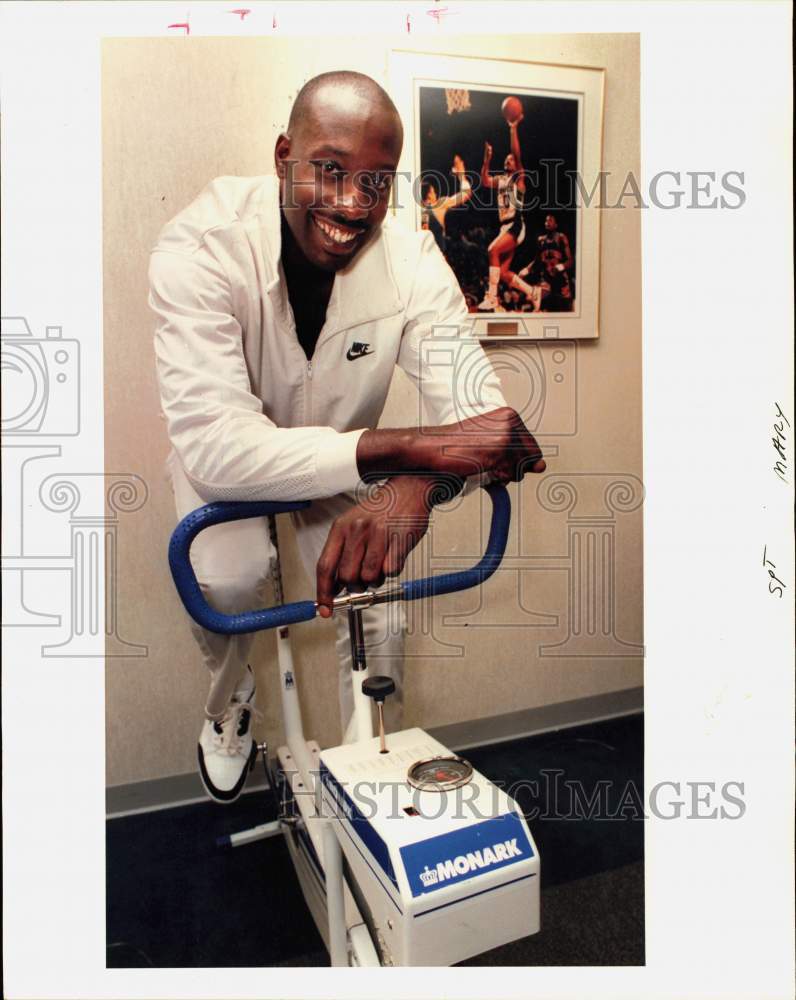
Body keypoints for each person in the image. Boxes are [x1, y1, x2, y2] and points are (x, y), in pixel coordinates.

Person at [149, 71, 545, 804]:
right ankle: (230, 704)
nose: (353, 204)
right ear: (283, 157)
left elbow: (482, 419)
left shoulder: (411, 260)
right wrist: (408, 448)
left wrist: (419, 486)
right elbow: (217, 446)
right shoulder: (204, 244)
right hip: (227, 464)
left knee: (379, 600)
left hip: (339, 458)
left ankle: (369, 776)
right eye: (330, 170)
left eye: (376, 181)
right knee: (233, 580)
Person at [477, 114, 539, 311]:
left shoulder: (519, 179)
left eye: (511, 160)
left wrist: (513, 129)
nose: (508, 160)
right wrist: (487, 160)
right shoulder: (501, 180)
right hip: (504, 227)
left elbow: (517, 154)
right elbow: (485, 181)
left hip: (515, 224)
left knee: (492, 250)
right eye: (506, 159)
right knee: (503, 273)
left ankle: (492, 298)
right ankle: (532, 292)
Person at [518, 213, 574, 311]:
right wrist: (527, 269)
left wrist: (562, 266)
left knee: (565, 309)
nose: (547, 222)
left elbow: (570, 260)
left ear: (556, 225)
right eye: (546, 220)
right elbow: (537, 260)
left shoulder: (561, 237)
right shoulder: (541, 240)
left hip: (560, 280)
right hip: (546, 280)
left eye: (550, 220)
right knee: (537, 304)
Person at [420, 154, 473, 255]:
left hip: (421, 258)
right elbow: (466, 193)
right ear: (429, 194)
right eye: (434, 192)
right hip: (437, 257)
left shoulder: (415, 211)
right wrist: (461, 174)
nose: (436, 195)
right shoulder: (439, 205)